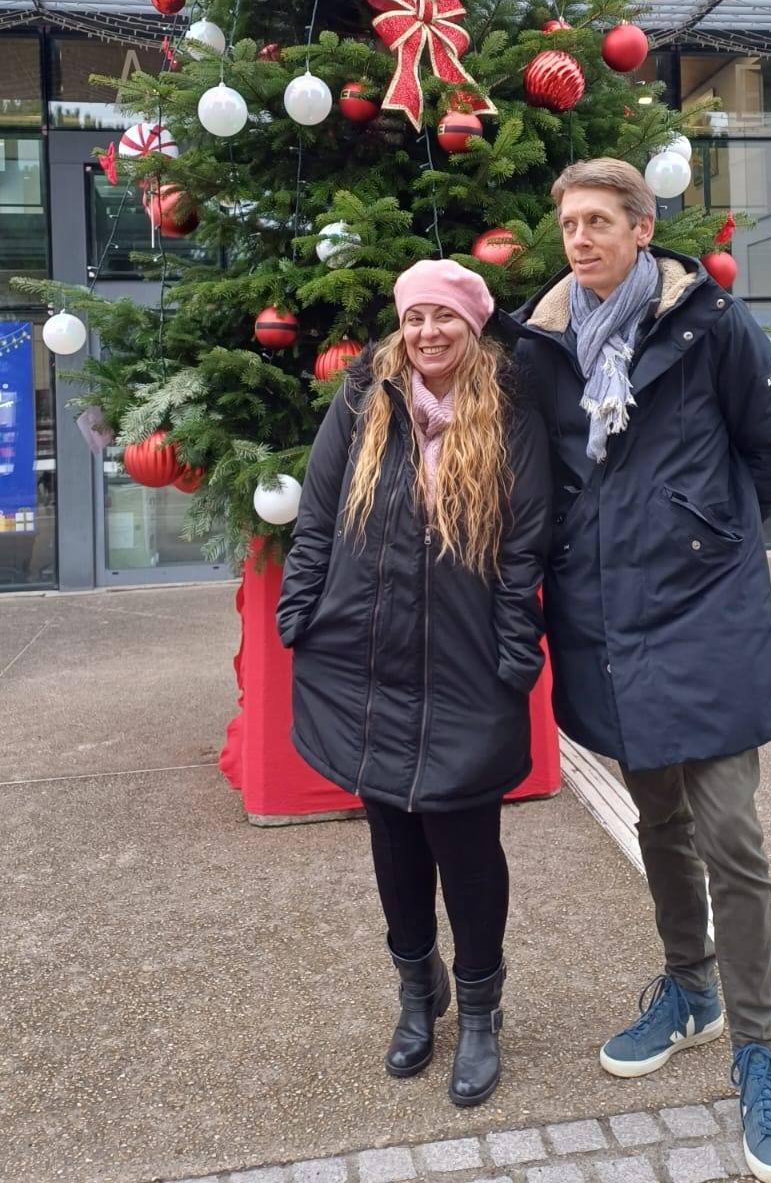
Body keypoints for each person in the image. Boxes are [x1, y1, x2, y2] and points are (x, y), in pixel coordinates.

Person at [507, 159, 771, 1183]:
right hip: (607, 619)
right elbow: (546, 476)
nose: (580, 239)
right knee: (660, 820)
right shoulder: (545, 344)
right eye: (569, 224)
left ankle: (759, 1049)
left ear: (642, 229)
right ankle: (690, 987)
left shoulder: (708, 323)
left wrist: (707, 538)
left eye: (599, 221)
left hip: (706, 612)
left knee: (731, 833)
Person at [276, 259, 550, 1108]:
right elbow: (318, 514)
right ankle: (416, 989)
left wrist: (515, 653)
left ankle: (480, 1012)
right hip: (368, 654)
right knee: (392, 833)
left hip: (467, 662)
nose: (429, 333)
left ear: (473, 325)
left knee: (466, 844)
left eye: (446, 317)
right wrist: (299, 613)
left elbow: (524, 546)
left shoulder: (510, 407)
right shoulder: (364, 398)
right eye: (415, 318)